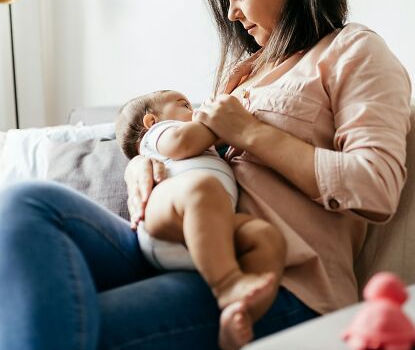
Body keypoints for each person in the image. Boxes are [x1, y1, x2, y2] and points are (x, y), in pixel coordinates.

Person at [0, 0, 411, 350]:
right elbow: (191, 150)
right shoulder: (244, 72)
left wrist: (253, 134)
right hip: (183, 247)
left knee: (8, 341)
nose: (232, 13)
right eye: (227, 1)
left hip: (277, 280)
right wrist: (145, 162)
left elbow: (376, 185)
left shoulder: (353, 51)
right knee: (21, 203)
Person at [114, 89, 287, 349]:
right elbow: (183, 142)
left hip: (208, 237)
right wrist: (223, 124)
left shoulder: (205, 147)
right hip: (167, 216)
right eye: (183, 104)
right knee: (201, 188)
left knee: (263, 236)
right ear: (151, 121)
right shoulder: (158, 136)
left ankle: (239, 315)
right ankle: (228, 284)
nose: (193, 110)